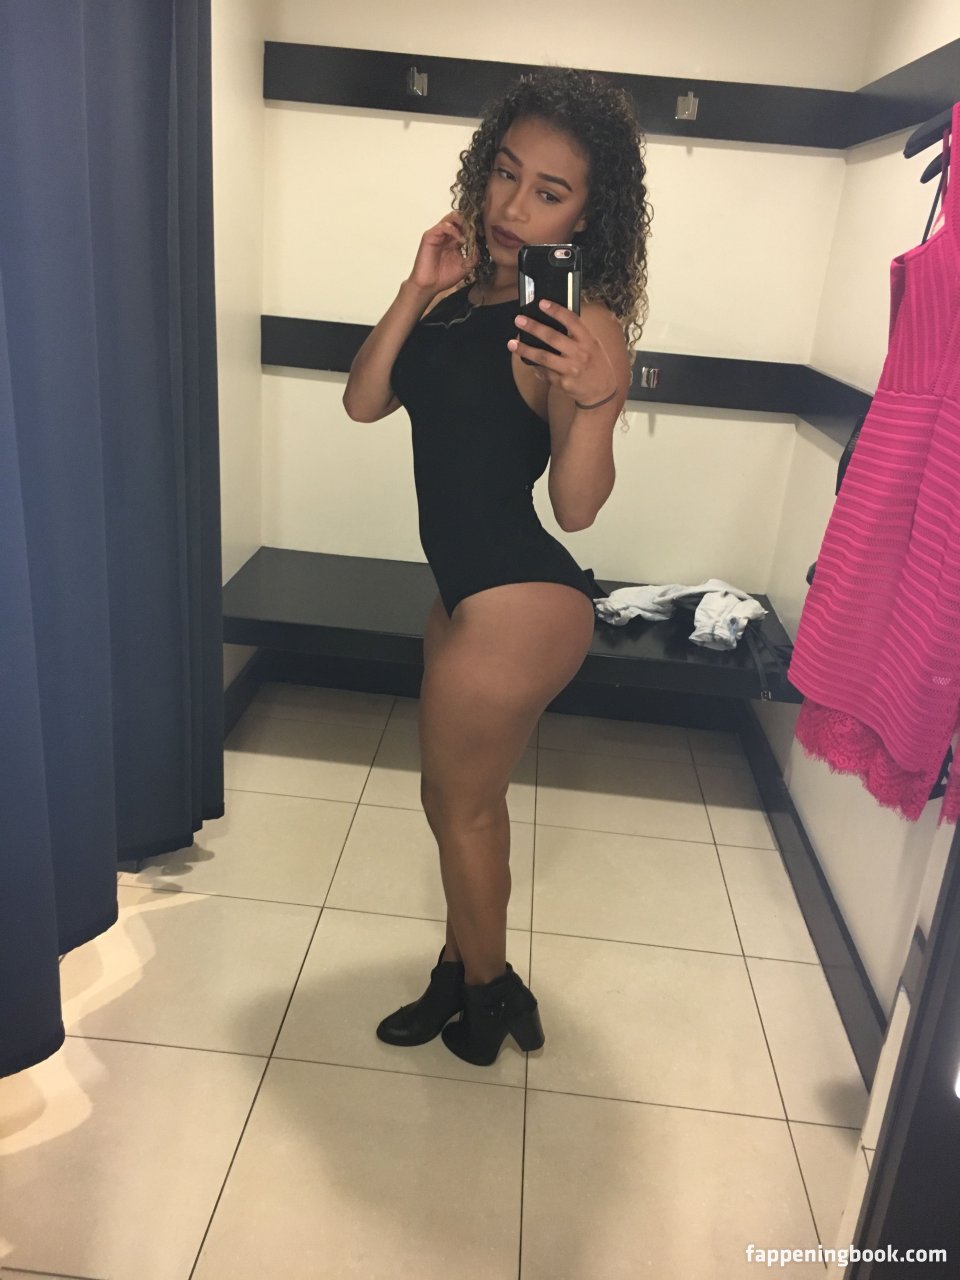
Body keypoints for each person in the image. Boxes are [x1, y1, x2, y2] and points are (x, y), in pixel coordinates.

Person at [343, 65, 652, 1066]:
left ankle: (486, 998)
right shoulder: (461, 295)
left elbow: (576, 506)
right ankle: (466, 966)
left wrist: (599, 399)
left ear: (588, 214)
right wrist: (416, 287)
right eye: (505, 173)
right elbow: (363, 400)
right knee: (456, 805)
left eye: (549, 191)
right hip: (466, 596)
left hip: (522, 600)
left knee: (463, 806)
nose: (514, 206)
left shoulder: (576, 322)